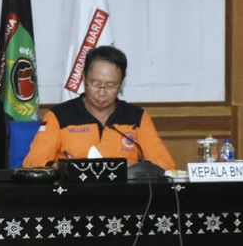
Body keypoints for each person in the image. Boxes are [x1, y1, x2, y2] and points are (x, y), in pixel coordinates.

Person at [23, 45, 176, 170]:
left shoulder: (137, 118)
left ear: (121, 83)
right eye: (95, 84)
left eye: (110, 85)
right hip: (72, 198)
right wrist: (66, 168)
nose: (102, 92)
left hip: (124, 198)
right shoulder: (59, 116)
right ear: (84, 79)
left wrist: (132, 169)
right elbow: (32, 162)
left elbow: (166, 165)